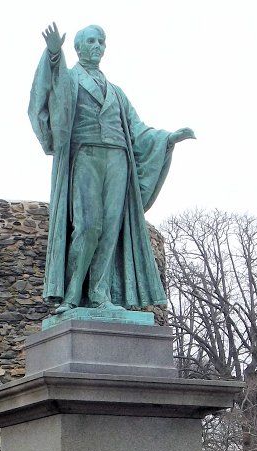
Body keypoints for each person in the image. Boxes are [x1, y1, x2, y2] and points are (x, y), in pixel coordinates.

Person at [29, 23, 195, 313]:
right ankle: (71, 296)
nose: (97, 46)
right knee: (89, 226)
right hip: (86, 156)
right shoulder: (70, 78)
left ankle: (99, 293)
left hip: (118, 158)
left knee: (110, 229)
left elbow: (137, 129)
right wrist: (54, 55)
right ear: (78, 47)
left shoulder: (117, 93)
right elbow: (49, 95)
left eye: (101, 42)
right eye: (91, 41)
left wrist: (167, 139)